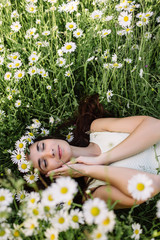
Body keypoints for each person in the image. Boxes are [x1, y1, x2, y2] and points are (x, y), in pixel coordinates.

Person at [28, 94, 160, 209]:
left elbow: (156, 126)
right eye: (44, 163)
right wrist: (87, 170)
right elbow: (150, 187)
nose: (50, 153)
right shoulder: (93, 193)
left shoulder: (97, 129)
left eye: (42, 146)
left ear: (49, 138)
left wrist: (102, 159)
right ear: (51, 176)